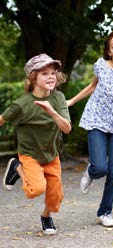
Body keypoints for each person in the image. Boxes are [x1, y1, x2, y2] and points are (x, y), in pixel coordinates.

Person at [66, 29, 113, 228]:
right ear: (109, 52)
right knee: (100, 167)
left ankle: (105, 212)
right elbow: (92, 87)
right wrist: (72, 101)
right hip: (97, 119)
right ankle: (91, 172)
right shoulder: (102, 66)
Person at [1, 54, 71, 235]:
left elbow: (67, 128)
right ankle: (16, 166)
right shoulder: (22, 104)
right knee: (35, 190)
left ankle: (46, 217)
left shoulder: (59, 98)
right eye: (44, 73)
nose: (50, 77)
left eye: (53, 73)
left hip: (51, 153)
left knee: (55, 197)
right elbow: (2, 119)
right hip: (29, 154)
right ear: (33, 78)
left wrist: (52, 112)